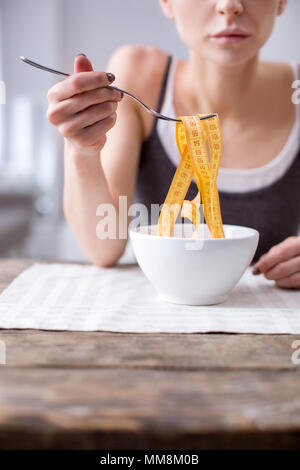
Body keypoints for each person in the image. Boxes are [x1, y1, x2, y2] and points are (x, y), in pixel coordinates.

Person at [46, 0, 300, 289]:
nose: (229, 5)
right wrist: (82, 149)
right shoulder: (138, 75)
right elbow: (103, 247)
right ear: (167, 2)